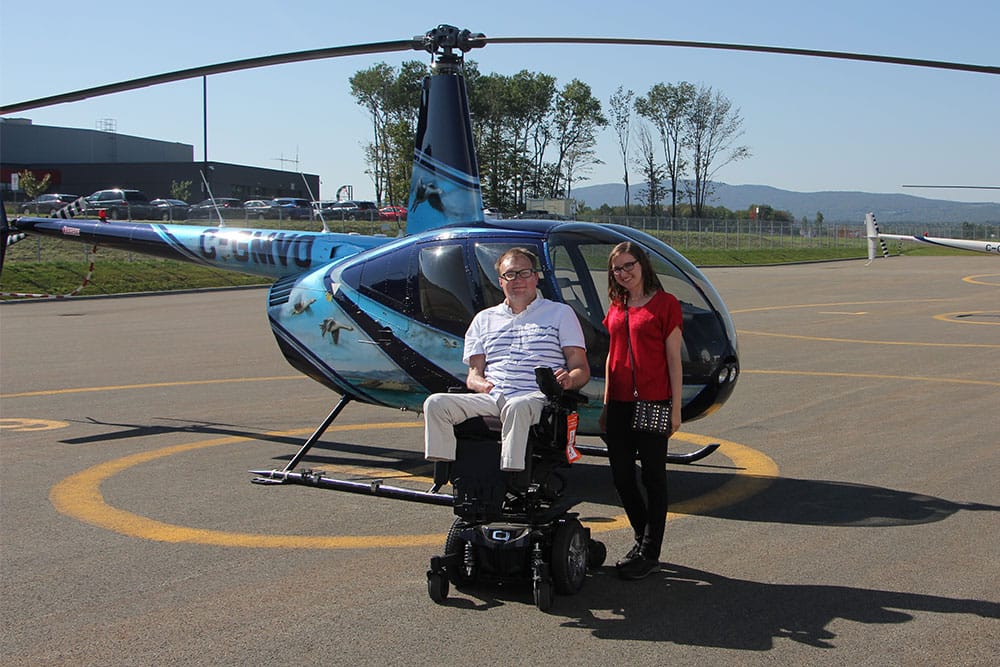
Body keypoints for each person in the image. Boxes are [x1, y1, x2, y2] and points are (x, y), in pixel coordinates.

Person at [424, 247, 590, 472]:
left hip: (537, 398)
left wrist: (569, 380)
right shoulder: (484, 319)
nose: (517, 280)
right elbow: (473, 375)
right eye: (510, 274)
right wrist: (480, 384)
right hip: (494, 396)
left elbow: (581, 368)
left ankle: (511, 474)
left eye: (524, 273)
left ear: (536, 277)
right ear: (500, 281)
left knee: (517, 405)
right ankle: (447, 469)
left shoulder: (560, 313)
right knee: (435, 403)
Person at [600, 241, 683, 580]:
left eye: (629, 265)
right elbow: (611, 355)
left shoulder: (665, 305)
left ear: (643, 264)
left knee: (653, 476)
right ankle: (641, 535)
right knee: (621, 476)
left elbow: (674, 359)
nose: (623, 273)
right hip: (619, 402)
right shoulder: (617, 305)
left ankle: (650, 551)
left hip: (654, 401)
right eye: (617, 269)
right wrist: (606, 404)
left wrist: (676, 409)